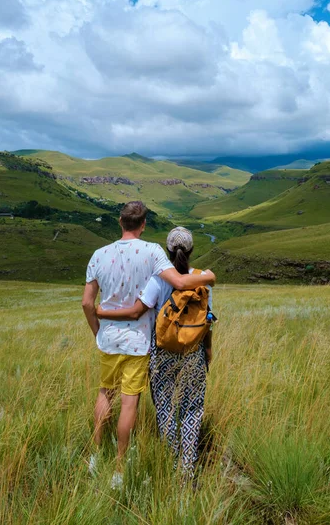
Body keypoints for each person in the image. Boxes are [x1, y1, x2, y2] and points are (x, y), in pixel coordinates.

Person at [81, 202, 215, 484]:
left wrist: (98, 330)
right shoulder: (153, 252)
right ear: (143, 224)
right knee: (132, 403)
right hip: (140, 342)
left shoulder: (98, 254)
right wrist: (209, 276)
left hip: (110, 339)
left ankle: (95, 455)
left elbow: (86, 303)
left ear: (120, 221)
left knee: (106, 393)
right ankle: (121, 467)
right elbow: (180, 284)